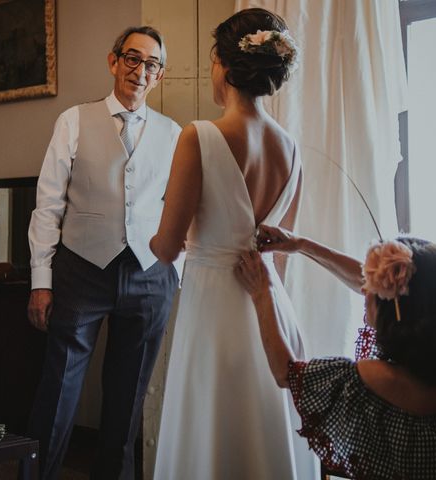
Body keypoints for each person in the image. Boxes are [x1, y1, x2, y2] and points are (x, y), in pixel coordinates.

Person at [149, 8, 320, 479]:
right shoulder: (291, 148)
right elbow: (280, 256)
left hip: (214, 308)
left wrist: (159, 230)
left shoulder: (200, 136)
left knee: (213, 433)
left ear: (223, 65)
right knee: (263, 432)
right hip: (272, 307)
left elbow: (166, 249)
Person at [27, 26, 181, 480]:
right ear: (113, 61)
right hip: (81, 271)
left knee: (127, 399)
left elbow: (180, 209)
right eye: (133, 59)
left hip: (150, 276)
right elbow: (48, 203)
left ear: (160, 76)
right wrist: (41, 281)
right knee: (59, 389)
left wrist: (177, 274)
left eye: (151, 64)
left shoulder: (174, 134)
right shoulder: (74, 120)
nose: (141, 70)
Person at [235, 225, 436, 479]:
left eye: (370, 288)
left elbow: (285, 372)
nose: (362, 289)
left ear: (396, 311)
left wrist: (262, 292)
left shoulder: (369, 380)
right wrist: (301, 245)